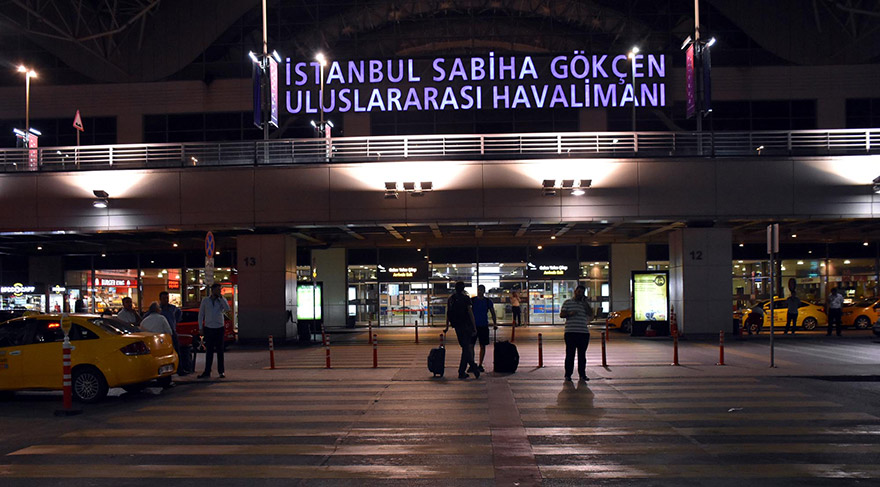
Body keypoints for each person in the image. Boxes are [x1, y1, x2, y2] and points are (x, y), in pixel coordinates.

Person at [443, 281, 480, 379]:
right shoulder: (465, 298)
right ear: (463, 288)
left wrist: (447, 326)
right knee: (466, 348)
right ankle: (471, 368)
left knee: (465, 347)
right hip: (466, 326)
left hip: (457, 326)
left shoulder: (451, 299)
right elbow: (470, 312)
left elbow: (448, 313)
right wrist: (474, 326)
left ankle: (463, 371)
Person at [560, 284, 592, 381]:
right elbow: (561, 314)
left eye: (582, 293)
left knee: (582, 355)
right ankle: (568, 375)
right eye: (578, 292)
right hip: (570, 332)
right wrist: (570, 313)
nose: (580, 294)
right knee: (570, 354)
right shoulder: (568, 302)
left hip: (583, 332)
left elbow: (590, 314)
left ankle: (582, 375)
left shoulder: (585, 304)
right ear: (575, 292)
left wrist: (586, 303)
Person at [198, 283, 230, 379]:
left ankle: (221, 371)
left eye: (219, 290)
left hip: (219, 327)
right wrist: (200, 327)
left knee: (220, 350)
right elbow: (201, 314)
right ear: (212, 290)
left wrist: (221, 298)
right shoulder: (205, 300)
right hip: (209, 327)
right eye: (217, 290)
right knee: (209, 351)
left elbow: (227, 308)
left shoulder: (221, 300)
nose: (218, 292)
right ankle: (207, 371)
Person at [471, 285, 498, 372]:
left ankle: (480, 364)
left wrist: (495, 323)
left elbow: (493, 312)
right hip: (474, 326)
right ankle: (473, 364)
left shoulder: (487, 301)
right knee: (471, 346)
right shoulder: (473, 300)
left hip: (483, 325)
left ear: (484, 291)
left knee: (482, 345)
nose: (480, 291)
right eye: (479, 290)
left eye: (481, 290)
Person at [159, 291, 185, 374]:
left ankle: (180, 369)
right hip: (162, 333)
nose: (166, 300)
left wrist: (174, 323)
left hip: (172, 331)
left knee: (177, 351)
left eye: (167, 298)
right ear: (160, 299)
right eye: (164, 298)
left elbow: (179, 315)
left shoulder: (173, 308)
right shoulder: (158, 309)